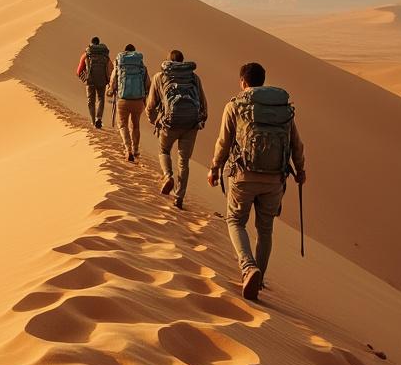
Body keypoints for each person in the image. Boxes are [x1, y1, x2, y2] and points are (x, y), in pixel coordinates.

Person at [206, 62, 306, 301]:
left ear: (243, 82)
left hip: (244, 176)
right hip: (274, 179)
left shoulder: (235, 105)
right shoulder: (283, 110)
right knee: (265, 230)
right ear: (263, 81)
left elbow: (223, 142)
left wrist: (215, 168)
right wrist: (300, 170)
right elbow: (296, 144)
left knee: (235, 221)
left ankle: (249, 267)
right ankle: (258, 280)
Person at [146, 49, 207, 210]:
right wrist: (201, 120)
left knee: (164, 150)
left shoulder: (159, 77)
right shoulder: (194, 78)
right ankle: (179, 197)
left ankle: (167, 176)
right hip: (190, 125)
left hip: (169, 124)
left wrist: (154, 121)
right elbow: (202, 102)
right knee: (184, 161)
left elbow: (151, 104)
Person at [107, 44, 149, 162]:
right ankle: (135, 150)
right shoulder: (141, 66)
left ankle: (128, 148)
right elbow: (148, 84)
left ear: (125, 52)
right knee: (135, 125)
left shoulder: (120, 65)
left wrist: (110, 90)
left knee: (122, 124)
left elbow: (113, 81)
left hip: (123, 100)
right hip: (138, 100)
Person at [75, 37, 112, 129]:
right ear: (99, 44)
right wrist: (109, 80)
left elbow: (79, 71)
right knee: (101, 99)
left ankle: (93, 121)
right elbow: (111, 69)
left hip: (90, 81)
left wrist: (84, 79)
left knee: (90, 101)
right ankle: (98, 118)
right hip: (102, 81)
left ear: (91, 44)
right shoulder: (105, 56)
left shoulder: (86, 55)